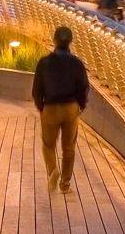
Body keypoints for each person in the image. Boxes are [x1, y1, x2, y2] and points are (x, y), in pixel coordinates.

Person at [30, 24, 89, 194]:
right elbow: (84, 87)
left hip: (50, 107)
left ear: (54, 41)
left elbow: (36, 90)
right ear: (70, 42)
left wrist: (41, 107)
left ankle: (52, 171)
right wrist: (80, 105)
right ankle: (65, 185)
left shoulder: (44, 63)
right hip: (70, 108)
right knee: (68, 148)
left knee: (48, 145)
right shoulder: (77, 64)